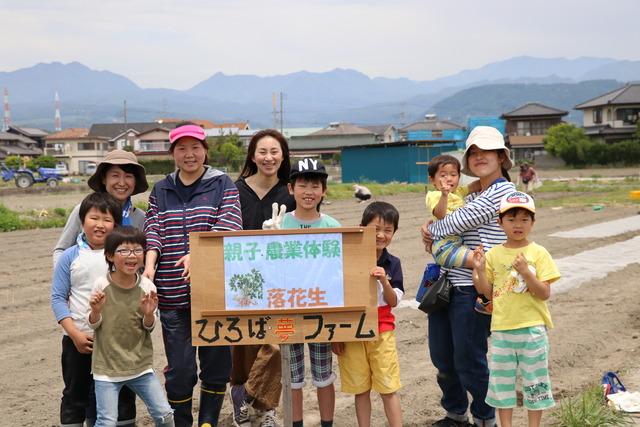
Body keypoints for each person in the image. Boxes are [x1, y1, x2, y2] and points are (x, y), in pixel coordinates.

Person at [142, 123, 243, 427]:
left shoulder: (222, 184)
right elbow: (154, 229)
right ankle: (183, 421)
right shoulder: (162, 189)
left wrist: (199, 253)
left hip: (213, 292)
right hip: (171, 292)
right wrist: (149, 266)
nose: (189, 154)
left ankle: (208, 421)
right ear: (172, 153)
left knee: (216, 364)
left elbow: (229, 223)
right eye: (182, 148)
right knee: (181, 368)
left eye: (195, 147)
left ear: (205, 151)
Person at [421, 126, 516, 427]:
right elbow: (449, 214)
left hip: (474, 289)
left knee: (469, 359)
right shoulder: (473, 191)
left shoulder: (503, 191)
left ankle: (485, 418)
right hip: (447, 285)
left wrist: (430, 232)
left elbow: (457, 221)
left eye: (486, 151)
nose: (479, 157)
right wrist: (436, 237)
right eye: (473, 152)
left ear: (502, 157)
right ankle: (455, 412)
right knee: (443, 358)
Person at [471, 191, 560, 427]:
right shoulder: (494, 254)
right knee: (501, 385)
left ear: (533, 222)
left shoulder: (538, 253)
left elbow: (544, 293)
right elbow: (486, 293)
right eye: (511, 219)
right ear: (500, 222)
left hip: (532, 330)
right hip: (501, 329)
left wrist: (526, 272)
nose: (518, 225)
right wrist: (479, 270)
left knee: (535, 383)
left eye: (524, 219)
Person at [231, 129, 296, 427]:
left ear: (283, 155)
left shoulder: (291, 191)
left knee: (275, 340)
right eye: (262, 152)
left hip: (279, 279)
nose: (268, 158)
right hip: (241, 277)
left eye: (274, 152)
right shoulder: (234, 190)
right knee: (243, 342)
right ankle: (240, 404)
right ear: (252, 156)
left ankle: (262, 404)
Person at [88, 226, 174, 427]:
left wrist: (148, 314)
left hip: (140, 365)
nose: (132, 256)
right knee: (106, 422)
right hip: (107, 368)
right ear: (109, 256)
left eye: (137, 250)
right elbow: (94, 324)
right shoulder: (102, 285)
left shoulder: (147, 287)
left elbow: (149, 327)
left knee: (164, 414)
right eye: (124, 251)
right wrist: (95, 310)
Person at [50, 192, 122, 427]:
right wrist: (75, 334)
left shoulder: (121, 257)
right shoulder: (70, 257)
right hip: (78, 339)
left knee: (115, 396)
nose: (100, 225)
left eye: (107, 219)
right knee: (75, 394)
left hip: (114, 341)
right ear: (82, 221)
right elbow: (58, 298)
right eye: (94, 218)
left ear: (116, 225)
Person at [333, 201, 403, 427]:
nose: (381, 235)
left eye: (388, 230)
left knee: (388, 387)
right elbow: (338, 298)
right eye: (375, 229)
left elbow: (393, 302)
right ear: (362, 227)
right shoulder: (347, 260)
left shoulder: (393, 263)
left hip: (382, 330)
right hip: (353, 330)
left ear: (394, 232)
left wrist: (384, 279)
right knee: (360, 388)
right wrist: (337, 335)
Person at [281, 157, 340, 427]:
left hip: (321, 311)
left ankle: (327, 422)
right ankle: (296, 423)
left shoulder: (332, 226)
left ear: (324, 191)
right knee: (291, 376)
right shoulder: (277, 225)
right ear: (290, 189)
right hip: (287, 310)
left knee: (323, 373)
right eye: (302, 184)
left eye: (315, 185)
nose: (309, 191)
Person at [53, 150, 149, 267]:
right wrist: (65, 277)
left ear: (135, 181)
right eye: (115, 175)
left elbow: (144, 257)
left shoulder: (141, 218)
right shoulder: (83, 210)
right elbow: (61, 250)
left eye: (128, 176)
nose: (122, 183)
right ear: (104, 179)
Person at [426, 154, 480, 269]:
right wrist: (444, 195)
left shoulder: (458, 192)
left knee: (480, 262)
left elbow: (475, 186)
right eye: (443, 175)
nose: (449, 178)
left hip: (458, 245)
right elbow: (439, 215)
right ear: (432, 180)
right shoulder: (434, 195)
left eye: (453, 174)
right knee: (481, 261)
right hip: (445, 248)